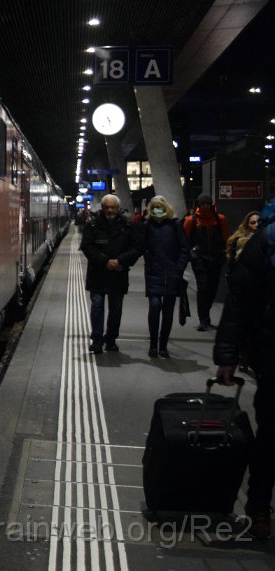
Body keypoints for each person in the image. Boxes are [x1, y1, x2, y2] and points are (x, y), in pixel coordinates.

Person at [214, 198, 275, 540]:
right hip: (272, 353)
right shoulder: (267, 239)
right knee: (271, 435)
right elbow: (240, 301)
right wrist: (227, 355)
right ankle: (259, 506)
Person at [80, 194, 140, 353]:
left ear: (118, 208)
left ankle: (111, 339)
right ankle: (97, 340)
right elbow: (87, 246)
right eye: (107, 207)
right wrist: (105, 261)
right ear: (102, 208)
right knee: (97, 305)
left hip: (118, 273)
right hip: (98, 273)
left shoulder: (128, 225)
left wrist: (121, 261)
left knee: (116, 309)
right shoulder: (92, 224)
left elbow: (136, 248)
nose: (110, 210)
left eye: (113, 207)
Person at [136, 195, 190, 359]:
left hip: (171, 274)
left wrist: (178, 269)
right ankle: (153, 344)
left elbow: (184, 249)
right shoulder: (146, 225)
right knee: (154, 306)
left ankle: (163, 346)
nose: (157, 210)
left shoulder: (175, 225)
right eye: (154, 207)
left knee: (168, 311)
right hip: (154, 273)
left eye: (159, 207)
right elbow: (139, 247)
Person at [183, 194, 229, 331]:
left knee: (212, 288)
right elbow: (185, 241)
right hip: (200, 259)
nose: (205, 206)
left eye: (207, 204)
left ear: (211, 205)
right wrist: (193, 256)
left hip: (216, 259)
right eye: (202, 204)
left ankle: (205, 315)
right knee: (203, 288)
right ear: (199, 205)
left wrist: (223, 255)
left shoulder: (220, 219)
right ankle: (203, 319)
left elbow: (226, 238)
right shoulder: (191, 220)